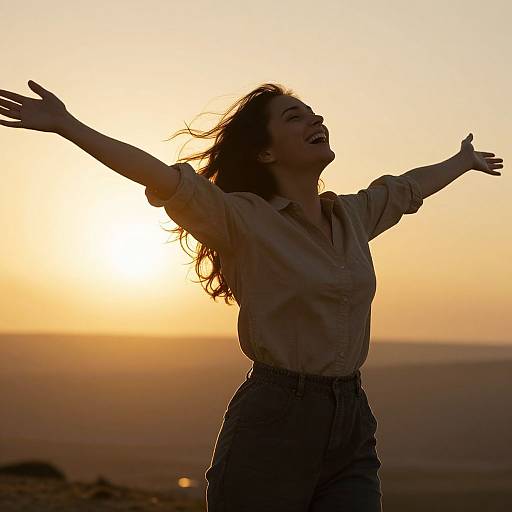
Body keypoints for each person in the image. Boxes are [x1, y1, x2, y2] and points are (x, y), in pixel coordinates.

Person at [0, 80, 503, 512]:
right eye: (295, 116)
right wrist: (68, 125)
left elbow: (406, 189)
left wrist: (461, 162)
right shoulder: (241, 220)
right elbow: (157, 175)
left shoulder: (351, 215)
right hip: (275, 419)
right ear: (265, 152)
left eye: (313, 112)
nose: (316, 117)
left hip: (351, 418)